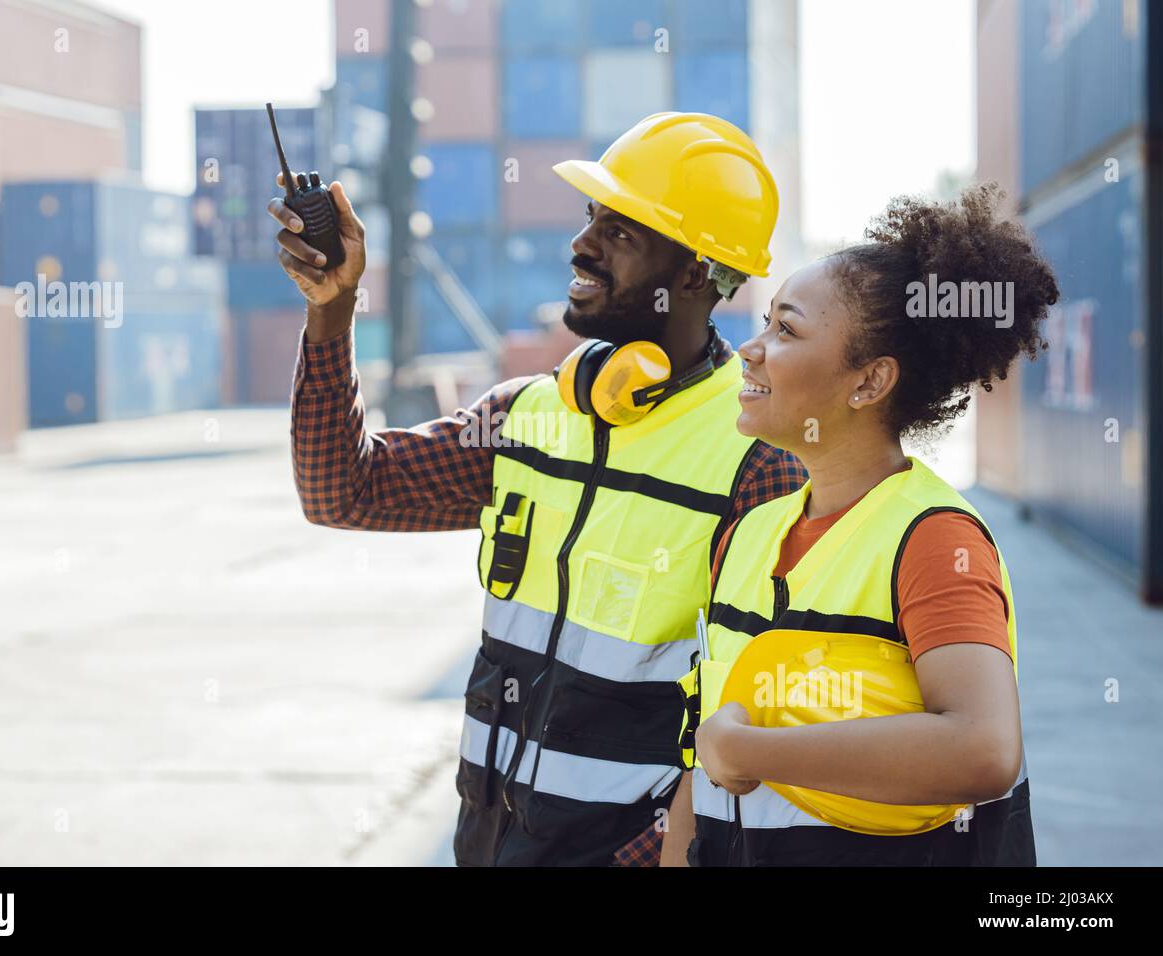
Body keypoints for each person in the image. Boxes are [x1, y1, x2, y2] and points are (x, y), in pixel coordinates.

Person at [272, 112, 806, 866]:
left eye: (620, 232)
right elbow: (341, 491)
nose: (581, 245)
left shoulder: (758, 459)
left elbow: (773, 714)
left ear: (693, 274)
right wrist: (331, 308)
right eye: (592, 217)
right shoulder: (525, 416)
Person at [661, 184, 1056, 866]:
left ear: (869, 382)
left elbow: (983, 749)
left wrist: (750, 751)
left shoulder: (933, 539)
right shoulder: (749, 534)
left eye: (787, 329)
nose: (750, 350)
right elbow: (709, 760)